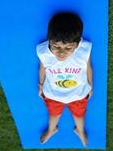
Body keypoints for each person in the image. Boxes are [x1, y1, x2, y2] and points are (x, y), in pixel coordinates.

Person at [36, 11, 93, 146]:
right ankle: (52, 129)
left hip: (78, 94)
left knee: (79, 116)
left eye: (68, 47)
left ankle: (80, 130)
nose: (61, 52)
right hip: (52, 94)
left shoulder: (84, 49)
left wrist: (90, 86)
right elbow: (42, 68)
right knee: (54, 114)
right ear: (49, 39)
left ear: (77, 43)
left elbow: (88, 67)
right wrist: (41, 85)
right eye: (56, 46)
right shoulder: (42, 51)